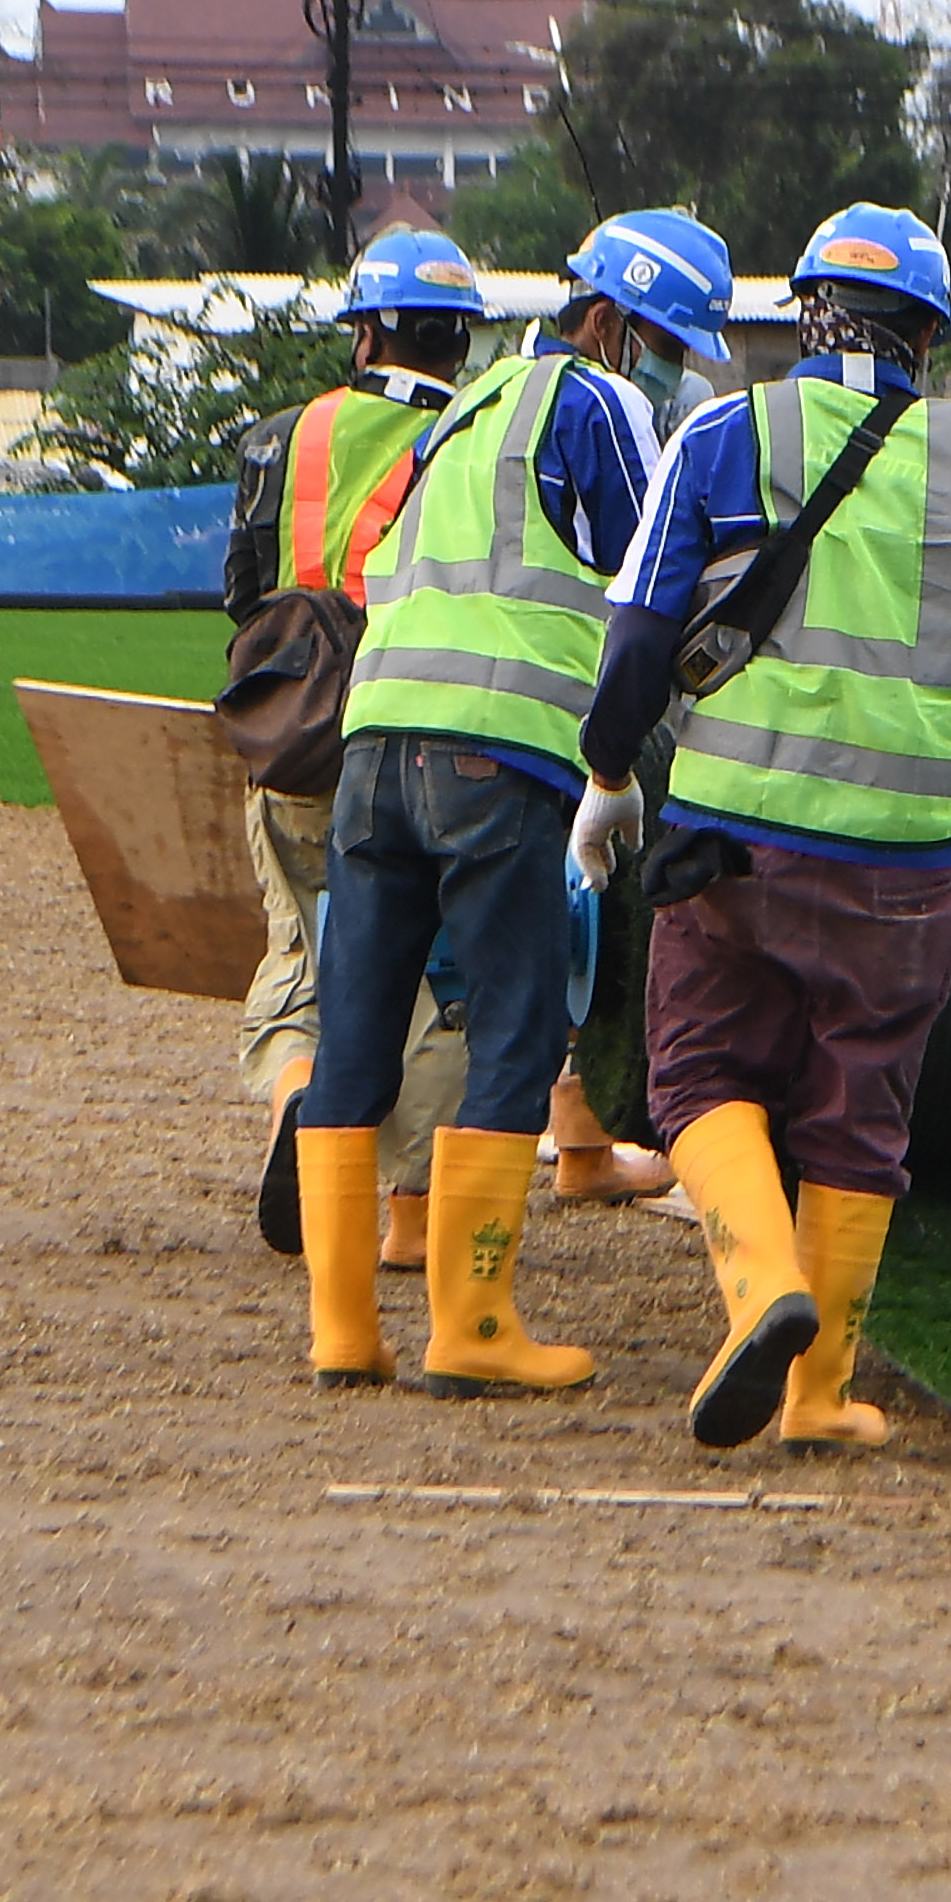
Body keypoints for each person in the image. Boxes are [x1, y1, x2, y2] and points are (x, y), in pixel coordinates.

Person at [571, 204, 951, 1453]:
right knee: (860, 1113)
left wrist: (607, 778)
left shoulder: (717, 436)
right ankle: (819, 1396)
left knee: (698, 1078)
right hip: (904, 861)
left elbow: (639, 636)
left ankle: (761, 1292)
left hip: (733, 834)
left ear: (806, 310)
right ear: (930, 333)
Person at [282, 214, 702, 1394]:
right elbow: (647, 579)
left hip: (374, 748)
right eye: (667, 340)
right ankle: (471, 1329)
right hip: (499, 758)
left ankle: (343, 1331)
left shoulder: (468, 403)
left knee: (355, 1033)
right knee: (518, 1030)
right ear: (611, 321)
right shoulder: (601, 405)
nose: (671, 367)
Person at [226, 230, 483, 1260]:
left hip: (295, 732)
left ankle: (299, 1091)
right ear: (459, 341)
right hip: (421, 734)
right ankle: (410, 1220)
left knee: (296, 940)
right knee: (433, 971)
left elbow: (242, 592)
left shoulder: (278, 436)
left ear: (364, 331)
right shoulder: (479, 435)